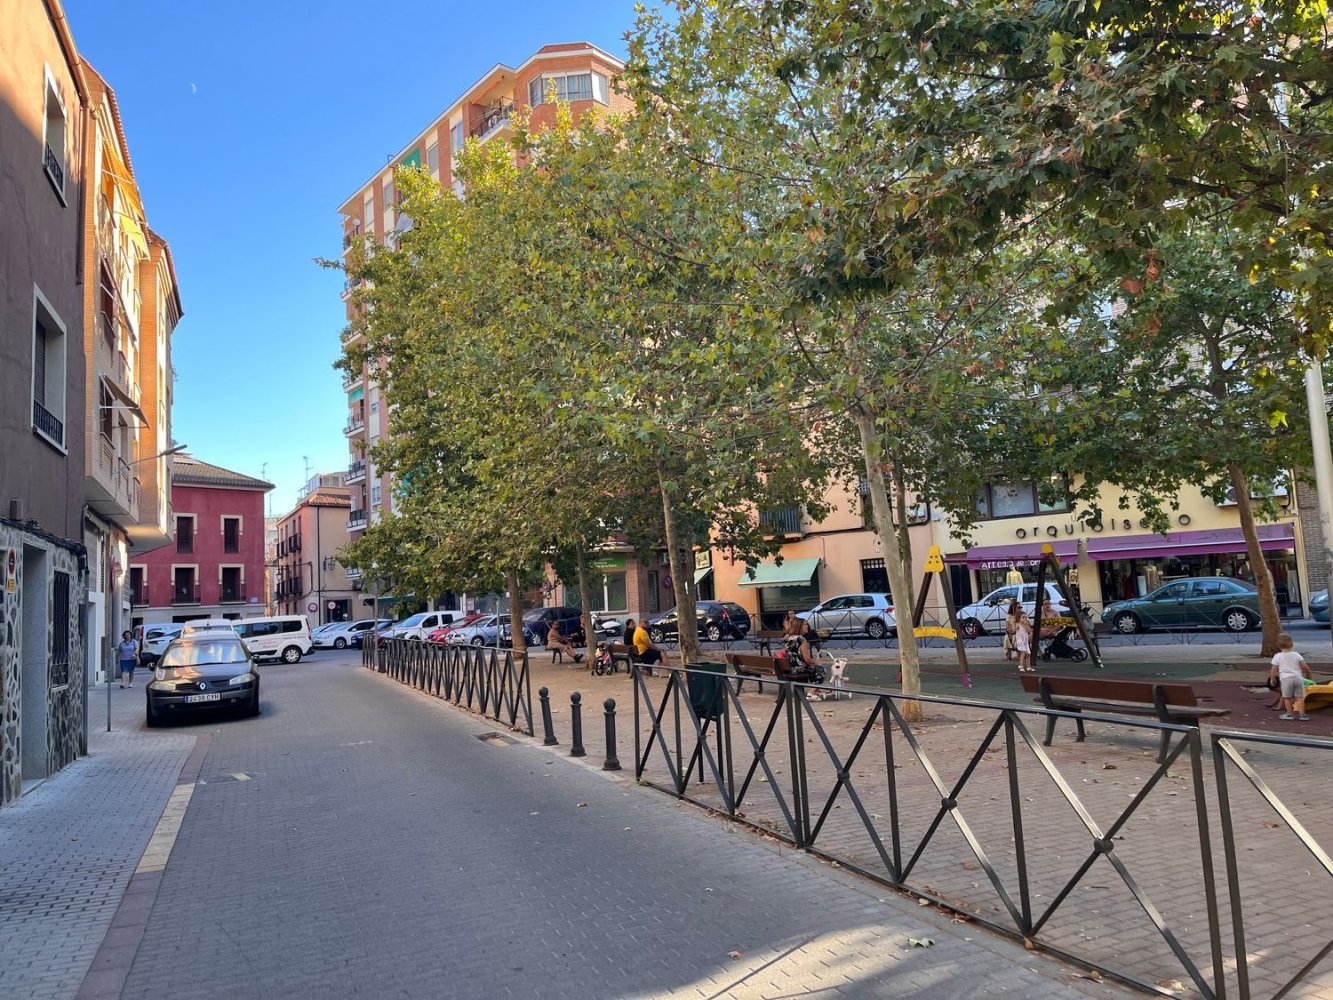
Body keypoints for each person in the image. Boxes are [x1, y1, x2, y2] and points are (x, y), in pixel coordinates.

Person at [1269, 632, 1312, 721]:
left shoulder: (1277, 656)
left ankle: (1289, 713)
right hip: (1297, 678)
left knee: (1286, 697)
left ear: (1278, 645)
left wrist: (1272, 678)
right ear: (1292, 643)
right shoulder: (1296, 655)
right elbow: (1305, 667)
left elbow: (1273, 669)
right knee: (1299, 697)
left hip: (1285, 679)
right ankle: (1302, 714)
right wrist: (1308, 674)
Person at [1014, 609, 1033, 673]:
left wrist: (1027, 624)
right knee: (1023, 652)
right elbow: (1014, 630)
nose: (1025, 619)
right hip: (1020, 641)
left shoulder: (1026, 625)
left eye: (1026, 617)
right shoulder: (1018, 624)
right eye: (1023, 617)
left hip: (1025, 641)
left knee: (1028, 654)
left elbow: (1029, 631)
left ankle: (1028, 666)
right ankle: (1021, 665)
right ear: (1019, 618)